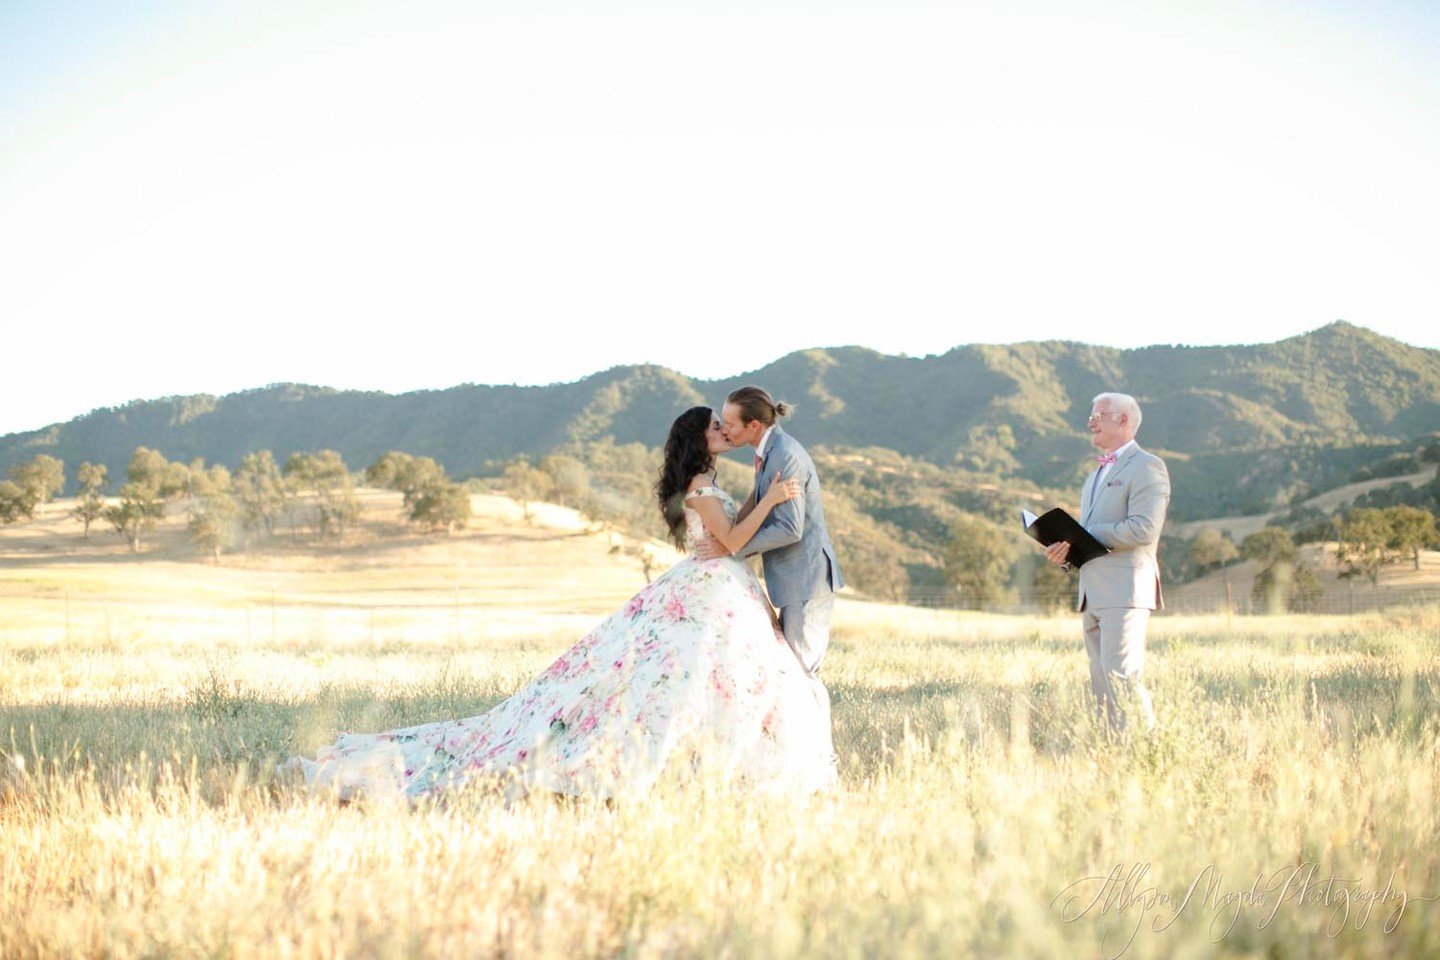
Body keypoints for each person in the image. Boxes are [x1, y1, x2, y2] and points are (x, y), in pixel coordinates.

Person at [283, 406, 835, 802]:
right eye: (716, 426)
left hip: (722, 589)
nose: (724, 431)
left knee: (709, 676)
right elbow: (734, 541)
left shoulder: (706, 481)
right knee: (678, 677)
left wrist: (757, 511)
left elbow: (730, 539)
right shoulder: (698, 485)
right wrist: (775, 501)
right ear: (700, 439)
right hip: (713, 585)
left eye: (727, 424)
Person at [696, 386, 843, 781]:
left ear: (754, 425)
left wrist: (733, 548)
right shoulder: (767, 453)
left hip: (807, 581)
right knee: (791, 673)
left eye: (729, 424)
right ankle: (802, 759)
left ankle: (822, 764)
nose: (725, 430)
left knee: (801, 675)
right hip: (791, 580)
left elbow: (790, 529)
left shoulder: (786, 456)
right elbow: (758, 503)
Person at [1044, 392, 1170, 733]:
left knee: (1123, 678)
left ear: (1125, 420)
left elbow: (1144, 529)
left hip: (1126, 589)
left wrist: (1083, 534)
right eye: (1091, 415)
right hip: (1092, 593)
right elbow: (1092, 540)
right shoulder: (1093, 476)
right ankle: (1113, 757)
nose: (1090, 422)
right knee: (1101, 687)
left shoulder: (1148, 466)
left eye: (1099, 415)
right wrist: (1067, 553)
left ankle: (1144, 752)